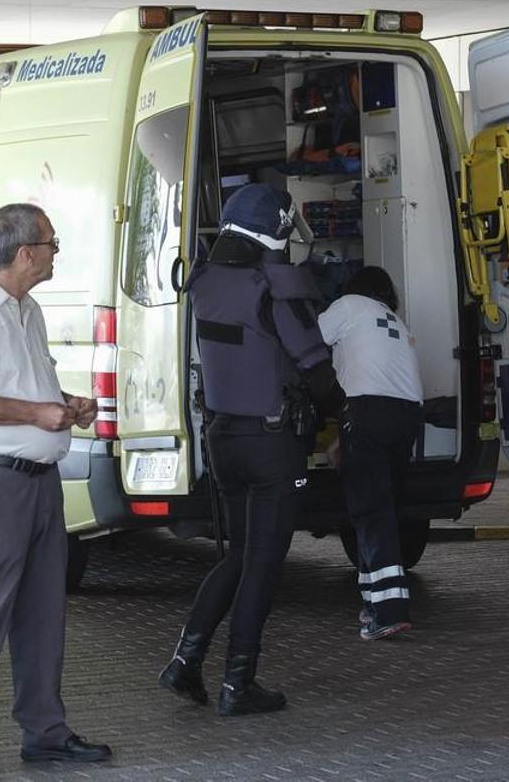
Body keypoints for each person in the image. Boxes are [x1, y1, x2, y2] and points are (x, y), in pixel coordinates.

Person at [159, 184, 342, 715]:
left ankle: (185, 662)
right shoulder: (275, 284)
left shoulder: (204, 280)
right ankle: (239, 682)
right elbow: (315, 365)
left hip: (223, 439)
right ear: (277, 230)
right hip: (270, 442)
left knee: (238, 555)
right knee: (261, 563)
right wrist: (340, 413)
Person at [0, 204, 113, 769]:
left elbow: (24, 386)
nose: (56, 252)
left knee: (42, 613)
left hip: (40, 485)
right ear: (24, 253)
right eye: (52, 244)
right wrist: (35, 416)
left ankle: (45, 733)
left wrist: (65, 407)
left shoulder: (28, 308)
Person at [319, 266, 423, 640]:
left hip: (368, 414)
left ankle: (390, 610)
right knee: (380, 510)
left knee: (370, 512)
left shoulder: (348, 307)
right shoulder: (395, 320)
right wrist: (341, 441)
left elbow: (307, 343)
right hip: (407, 416)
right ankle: (372, 603)